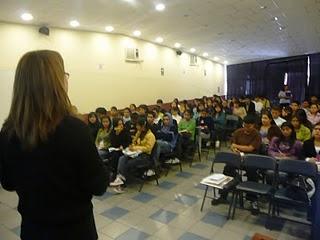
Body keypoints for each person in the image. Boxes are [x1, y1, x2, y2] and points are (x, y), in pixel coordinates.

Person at [0, 50, 108, 240]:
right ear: (56, 83)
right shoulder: (75, 130)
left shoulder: (8, 132)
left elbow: (7, 183)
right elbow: (99, 186)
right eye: (64, 75)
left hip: (33, 229)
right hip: (75, 231)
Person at [110, 117, 156, 193]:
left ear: (143, 126)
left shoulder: (150, 135)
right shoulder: (139, 132)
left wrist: (135, 148)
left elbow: (148, 148)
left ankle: (122, 184)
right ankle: (120, 178)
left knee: (128, 164)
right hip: (136, 153)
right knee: (122, 158)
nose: (136, 127)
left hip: (145, 156)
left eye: (138, 126)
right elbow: (133, 142)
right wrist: (132, 145)